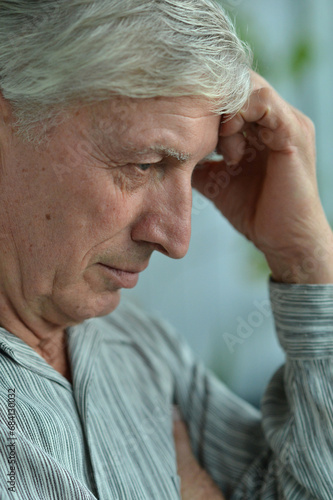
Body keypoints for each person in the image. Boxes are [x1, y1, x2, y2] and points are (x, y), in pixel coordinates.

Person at [0, 0, 332, 499]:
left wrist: (308, 263)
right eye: (146, 163)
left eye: (196, 170)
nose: (177, 239)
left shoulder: (134, 342)